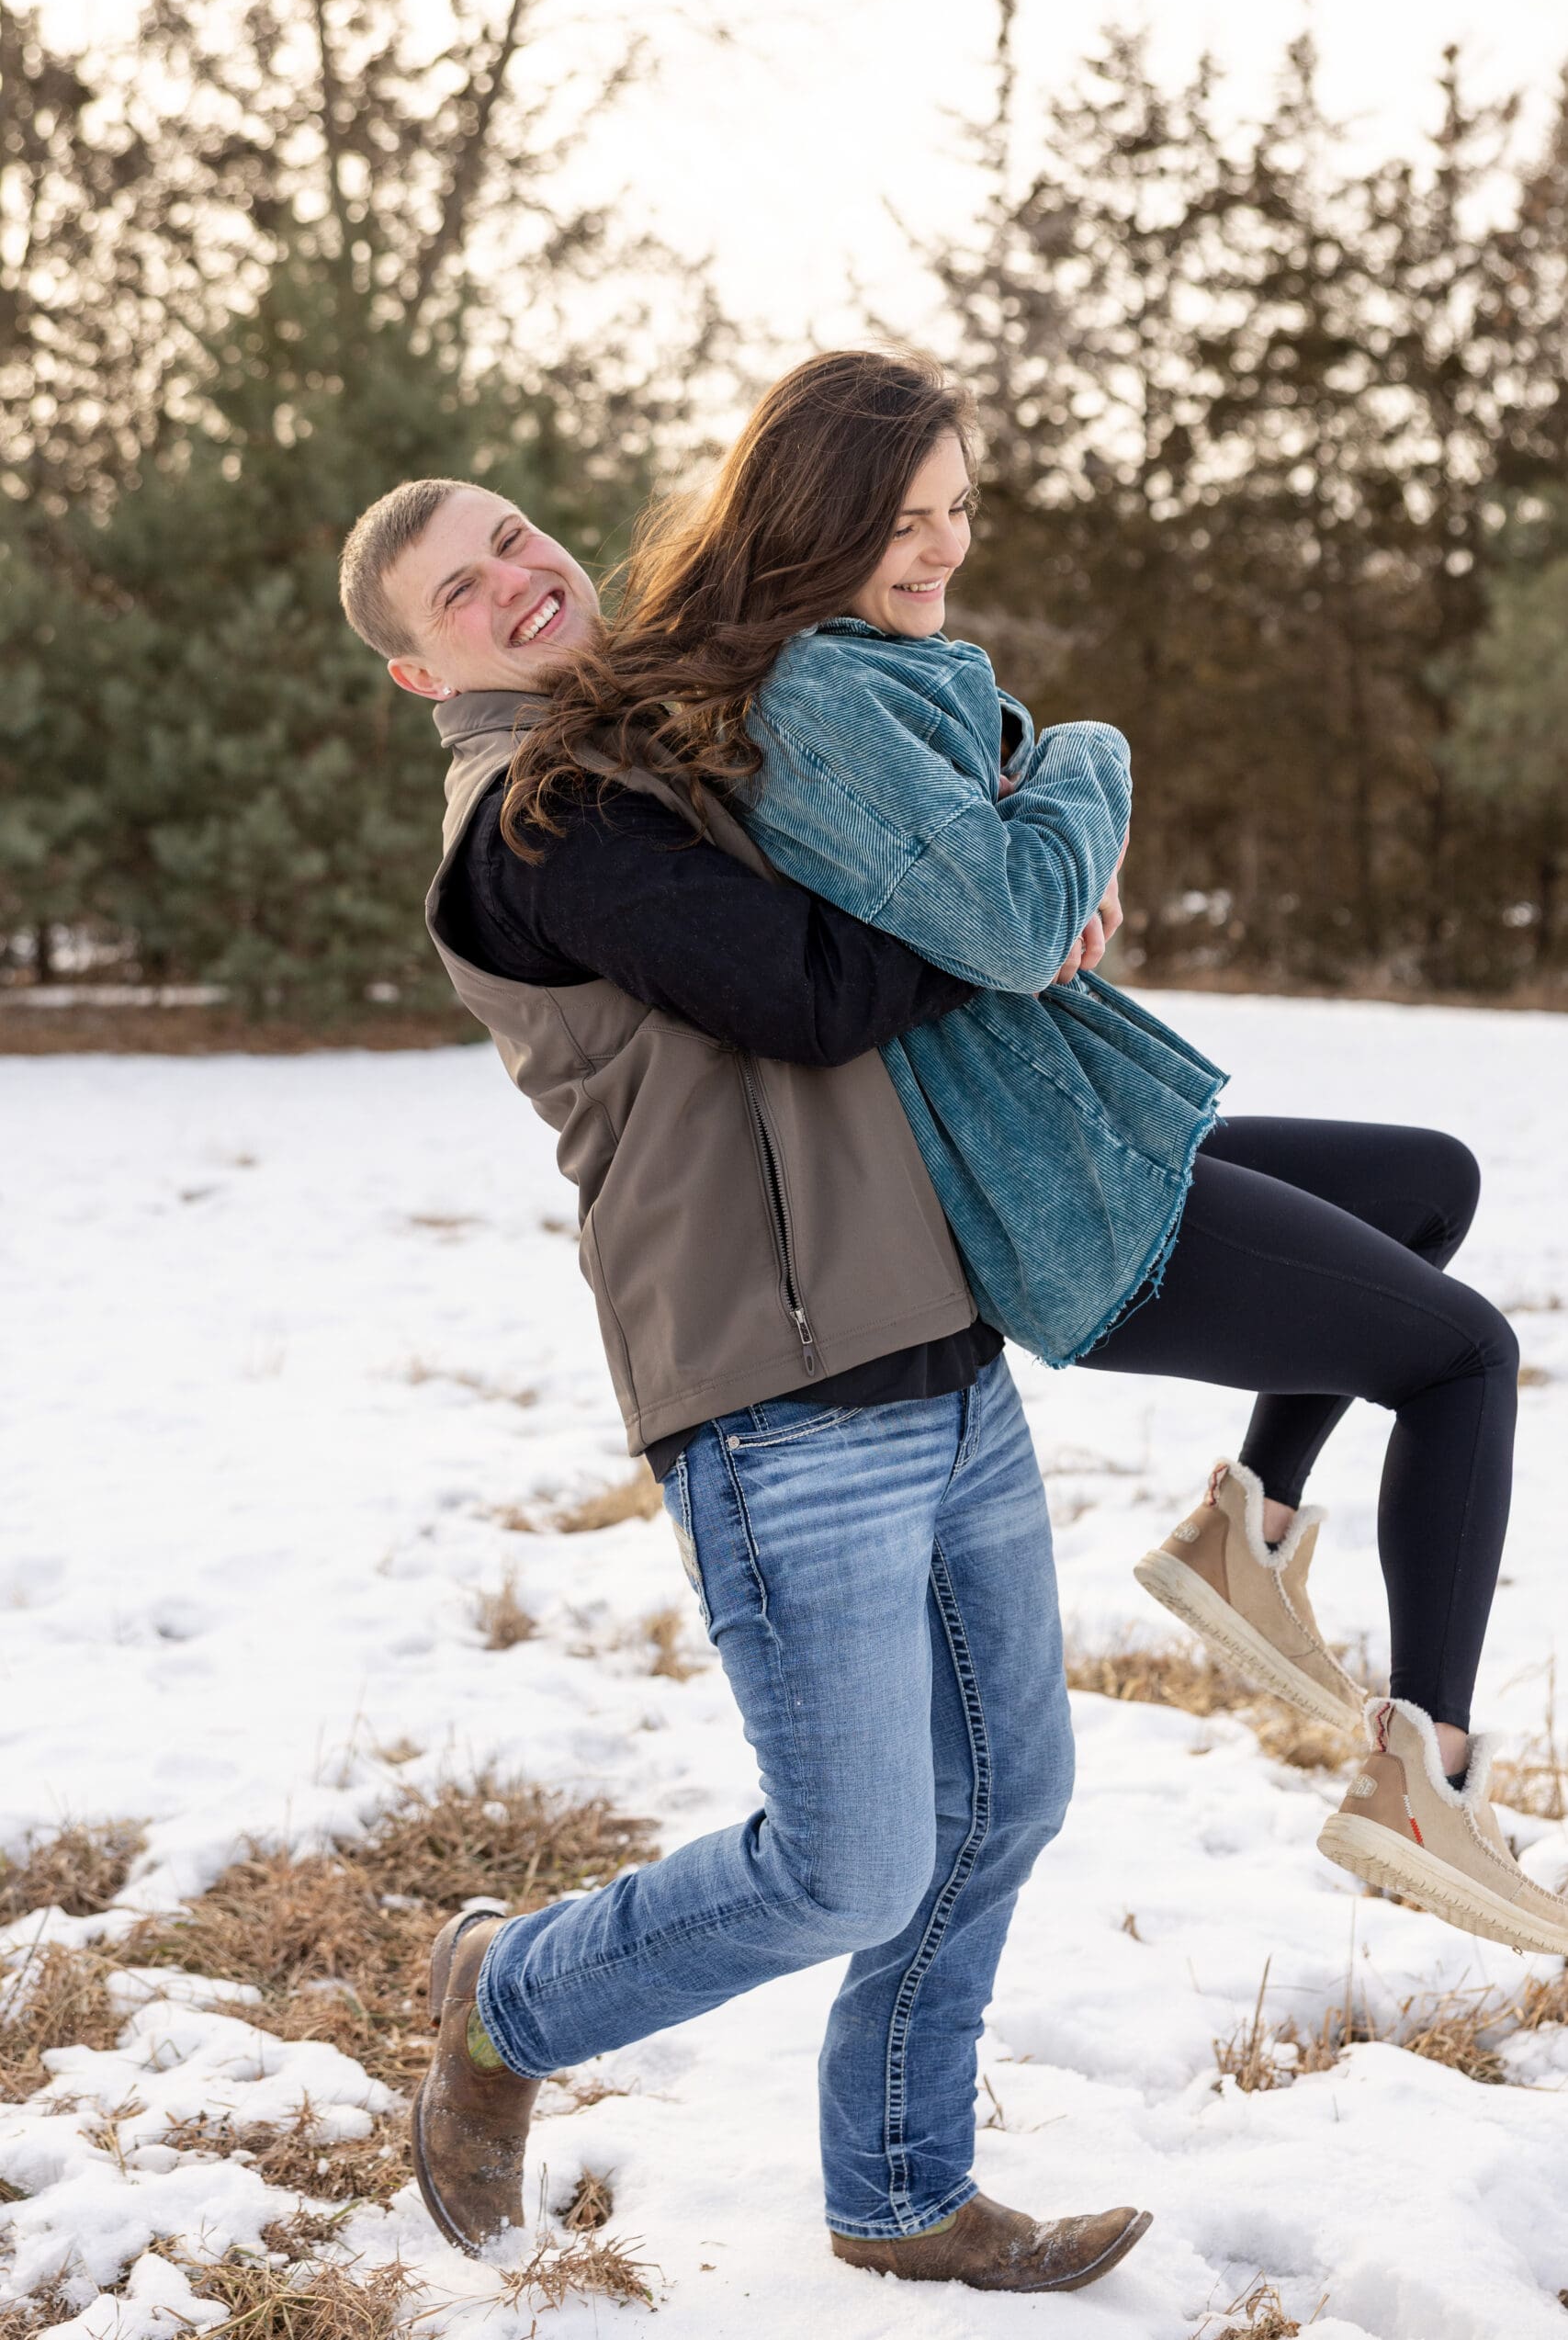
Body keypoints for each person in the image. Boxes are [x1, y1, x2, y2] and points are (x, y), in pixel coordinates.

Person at [514, 347, 1556, 1963]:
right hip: (1047, 1192)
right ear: (815, 518)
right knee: (1464, 1359)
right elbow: (1000, 912)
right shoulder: (827, 693)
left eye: (958, 511)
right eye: (904, 520)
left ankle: (1248, 1529)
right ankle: (1428, 1772)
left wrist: (1031, 838)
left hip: (1062, 1126)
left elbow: (989, 892)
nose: (943, 549)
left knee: (1430, 1179)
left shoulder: (871, 673)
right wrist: (1088, 762)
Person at [337, 477, 1153, 2293]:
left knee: (1004, 1799)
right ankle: (510, 1991)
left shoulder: (664, 734)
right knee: (849, 1860)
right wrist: (1009, 885)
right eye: (463, 594)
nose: (518, 582)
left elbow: (889, 867)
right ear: (421, 671)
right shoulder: (537, 816)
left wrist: (998, 892)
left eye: (516, 541)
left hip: (934, 1348)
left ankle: (898, 2184)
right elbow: (807, 989)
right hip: (774, 1396)